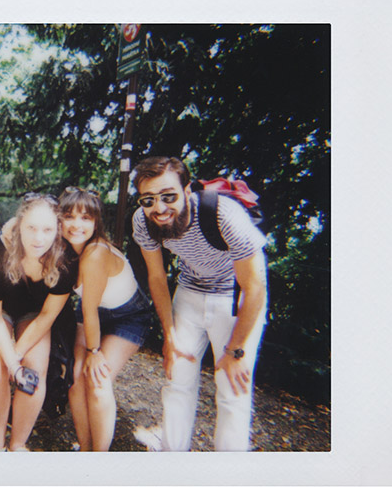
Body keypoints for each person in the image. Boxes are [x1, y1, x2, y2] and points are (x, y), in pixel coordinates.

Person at [131, 156, 267, 452]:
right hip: (189, 293)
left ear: (187, 190)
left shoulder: (224, 214)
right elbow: (157, 277)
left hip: (235, 298)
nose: (159, 208)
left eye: (168, 196)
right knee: (177, 379)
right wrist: (169, 334)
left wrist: (236, 350)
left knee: (232, 389)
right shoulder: (143, 220)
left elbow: (255, 287)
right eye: (149, 199)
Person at [0, 193, 78, 451]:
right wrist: (10, 362)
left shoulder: (66, 260)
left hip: (35, 314)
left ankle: (18, 444)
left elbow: (47, 316)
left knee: (34, 369)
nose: (38, 238)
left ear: (57, 230)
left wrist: (17, 357)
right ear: (19, 225)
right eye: (31, 228)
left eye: (47, 230)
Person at [60, 187, 153, 452]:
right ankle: (85, 449)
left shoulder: (96, 253)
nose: (76, 225)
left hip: (128, 317)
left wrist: (94, 351)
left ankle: (99, 459)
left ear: (96, 222)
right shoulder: (63, 249)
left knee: (98, 381)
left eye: (85, 218)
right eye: (69, 216)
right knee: (76, 378)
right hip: (93, 313)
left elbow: (89, 309)